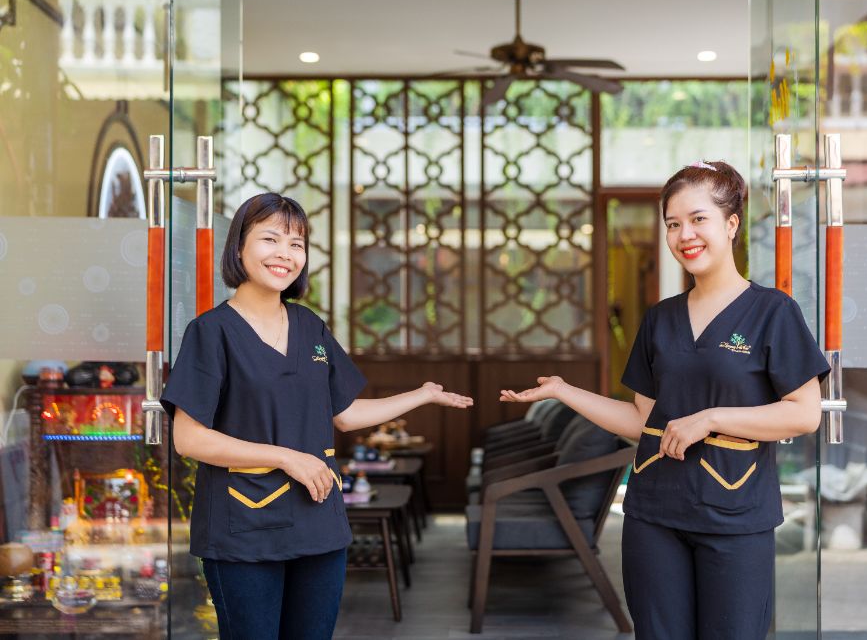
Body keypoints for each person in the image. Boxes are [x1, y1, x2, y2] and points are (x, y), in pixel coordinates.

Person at [500, 160, 829, 639]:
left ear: (731, 224)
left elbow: (805, 413)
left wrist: (711, 418)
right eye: (673, 224)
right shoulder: (660, 319)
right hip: (654, 513)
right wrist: (563, 391)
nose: (684, 235)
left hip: (734, 516)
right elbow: (642, 421)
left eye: (698, 219)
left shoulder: (772, 312)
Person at [161, 193, 472, 640]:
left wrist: (420, 395)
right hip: (244, 528)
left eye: (296, 244)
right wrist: (288, 457)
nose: (285, 254)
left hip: (318, 522)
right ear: (239, 248)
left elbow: (344, 414)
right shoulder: (211, 332)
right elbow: (189, 439)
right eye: (270, 239)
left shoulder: (310, 327)